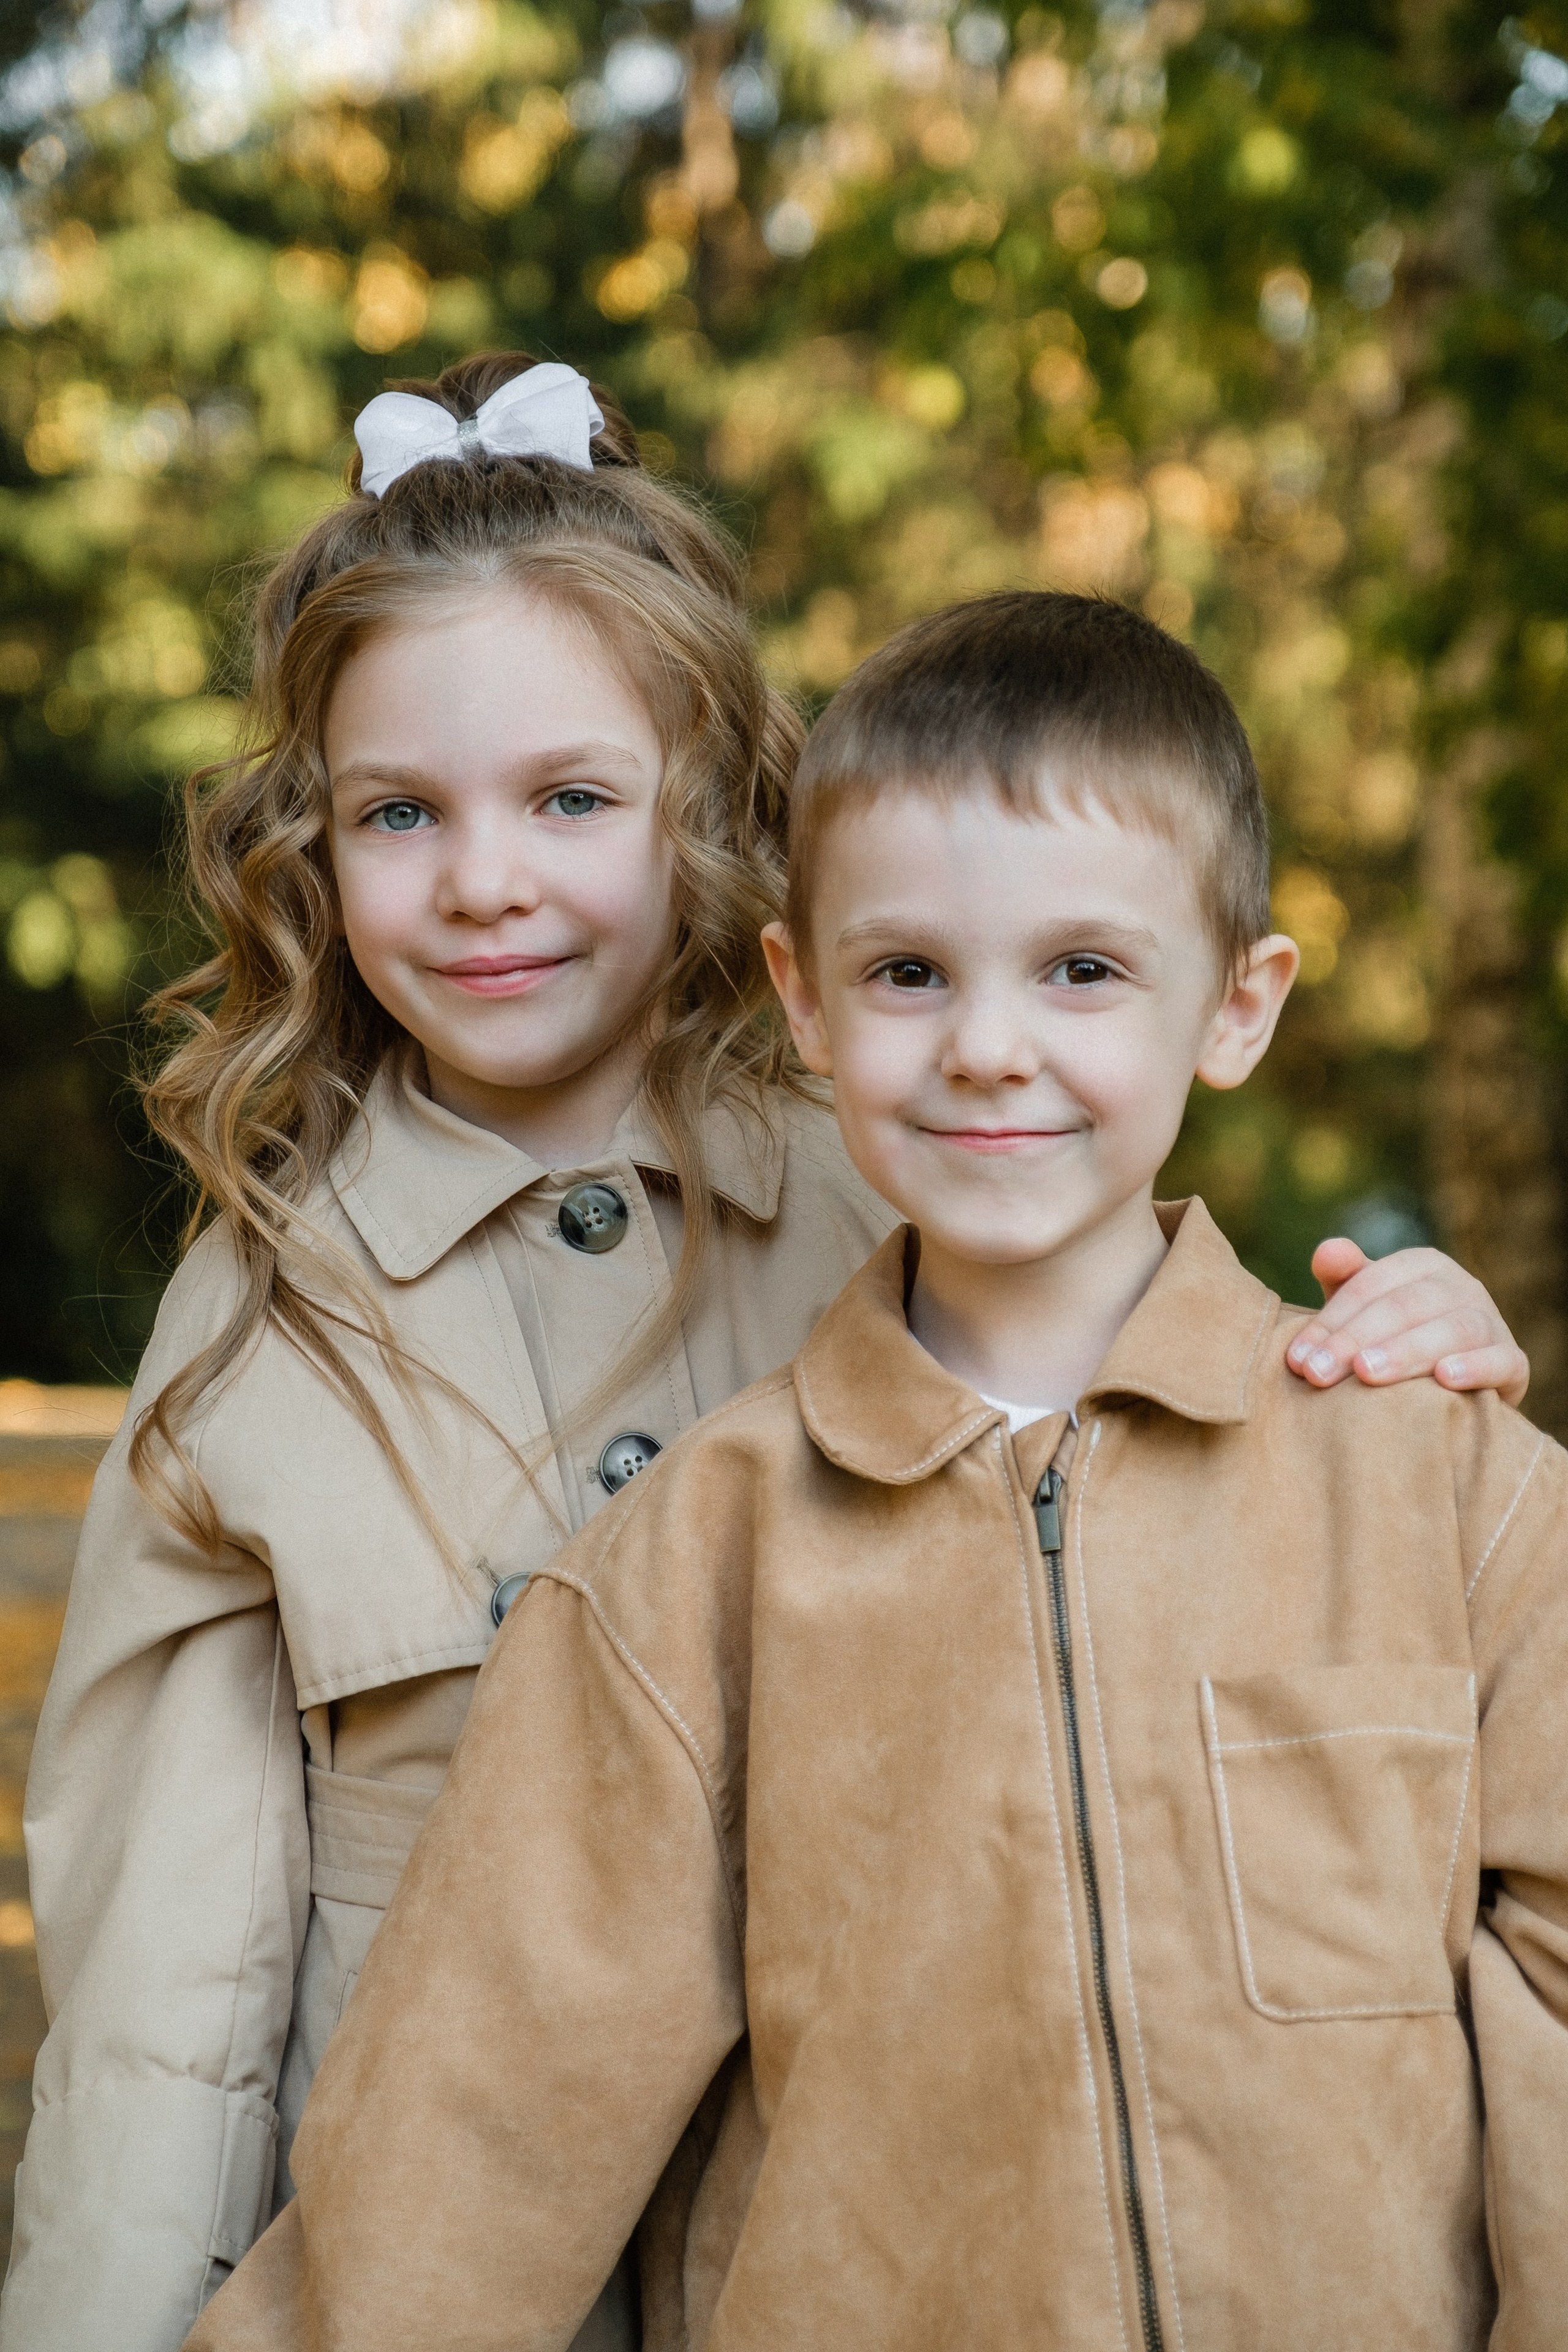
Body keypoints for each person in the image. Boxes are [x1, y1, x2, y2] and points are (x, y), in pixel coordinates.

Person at [0, 355, 1525, 2352]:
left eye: (570, 798)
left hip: (880, 2253)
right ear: (316, 840)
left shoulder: (907, 1178)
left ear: (709, 803)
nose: (484, 877)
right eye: (399, 812)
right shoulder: (262, 1325)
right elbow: (164, 2010)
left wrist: (1423, 1357)